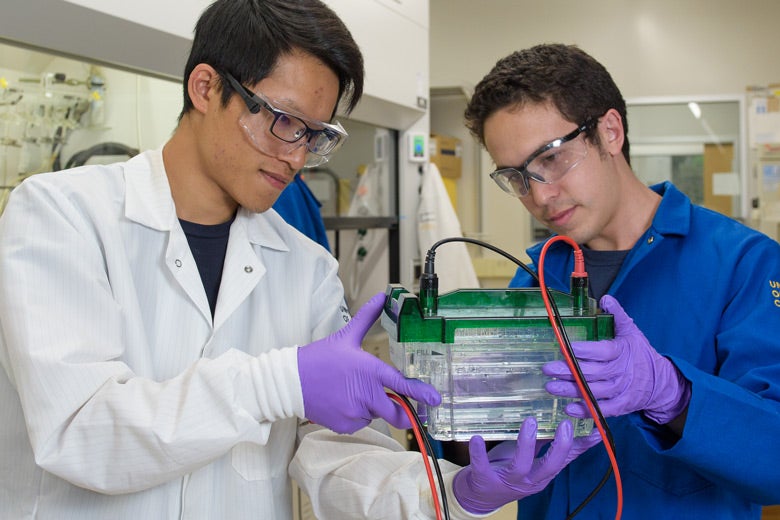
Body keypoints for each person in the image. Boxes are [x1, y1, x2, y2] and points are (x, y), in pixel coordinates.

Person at [0, 1, 442, 518]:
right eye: (283, 121)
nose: (297, 156)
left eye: (315, 135)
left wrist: (447, 492)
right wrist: (278, 383)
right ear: (206, 88)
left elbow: (334, 453)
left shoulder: (306, 267)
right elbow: (81, 431)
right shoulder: (61, 215)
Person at [461, 43, 780, 518]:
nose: (540, 196)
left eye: (550, 158)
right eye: (517, 176)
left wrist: (673, 394)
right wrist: (469, 449)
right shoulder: (536, 278)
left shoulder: (743, 263)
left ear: (610, 132)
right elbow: (501, 431)